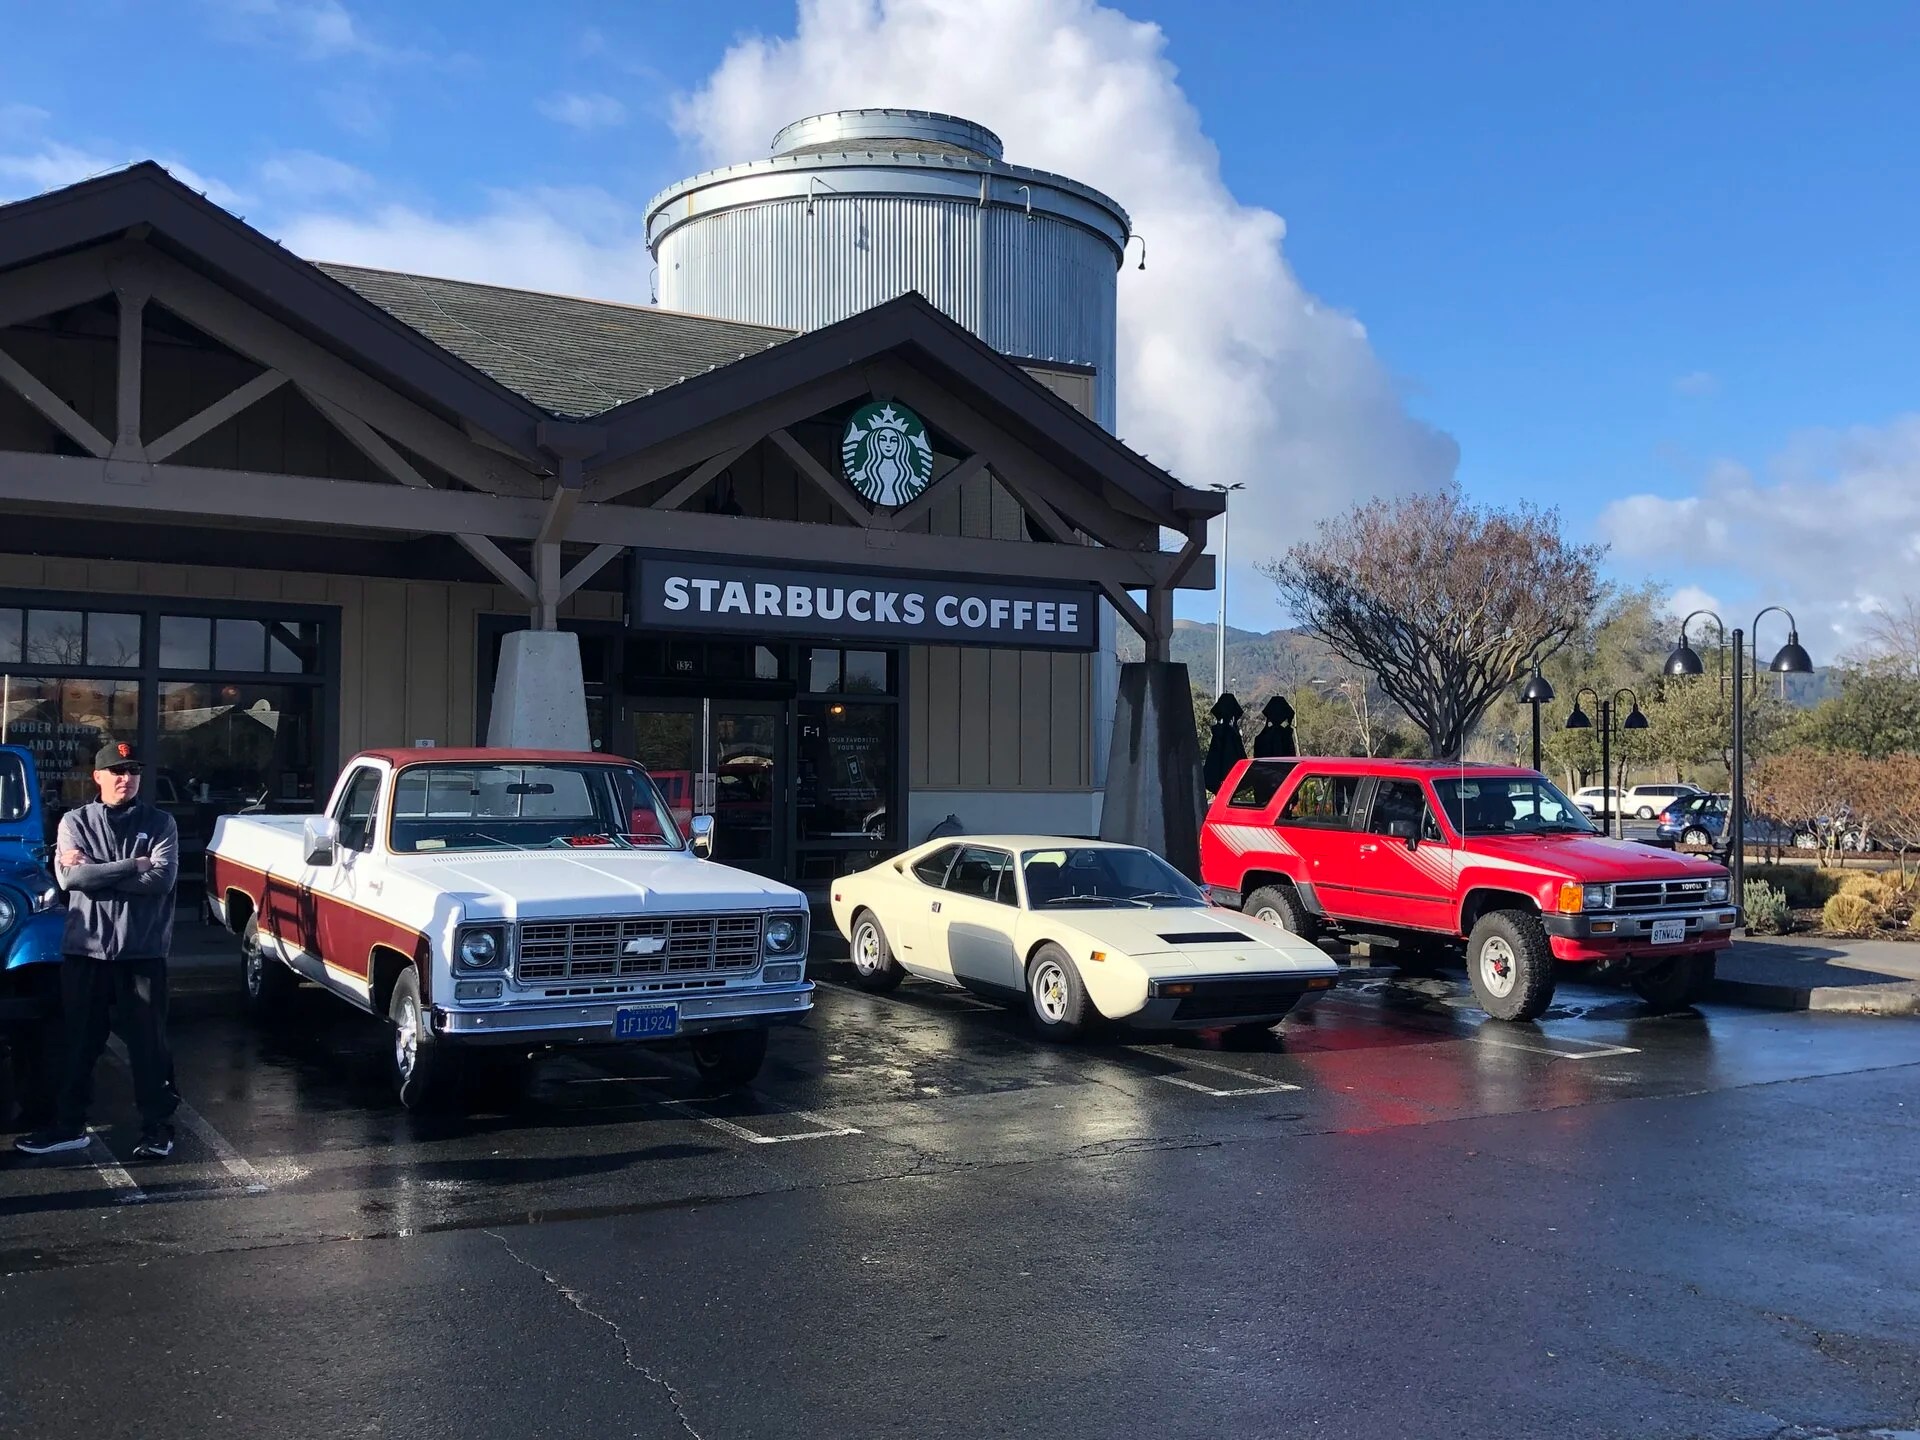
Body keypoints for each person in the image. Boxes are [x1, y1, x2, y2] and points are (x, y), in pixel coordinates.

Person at [14, 742, 182, 1159]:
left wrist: (98, 871)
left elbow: (160, 881)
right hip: (85, 953)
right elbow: (71, 880)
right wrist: (131, 865)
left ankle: (157, 1128)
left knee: (149, 1046)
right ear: (98, 777)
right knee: (79, 1044)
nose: (126, 778)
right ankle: (69, 1126)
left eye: (133, 771)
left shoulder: (160, 823)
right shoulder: (75, 821)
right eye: (117, 771)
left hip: (141, 954)